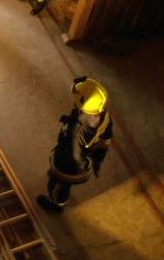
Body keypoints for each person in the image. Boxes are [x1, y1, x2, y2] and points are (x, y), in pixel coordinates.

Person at [37, 77, 113, 213]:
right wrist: (98, 159)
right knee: (61, 182)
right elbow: (106, 138)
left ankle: (56, 204)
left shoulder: (76, 130)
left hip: (67, 166)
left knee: (57, 186)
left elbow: (75, 157)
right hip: (85, 153)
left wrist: (84, 167)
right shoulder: (103, 114)